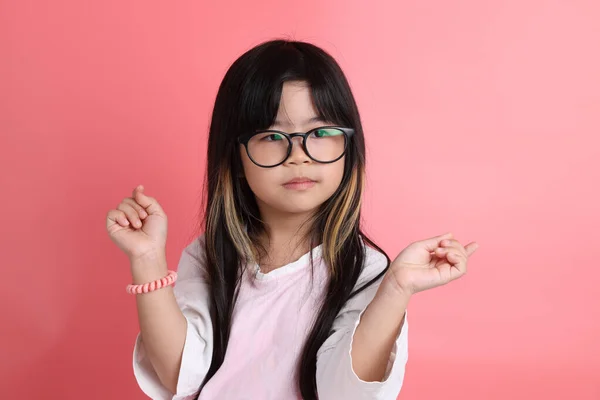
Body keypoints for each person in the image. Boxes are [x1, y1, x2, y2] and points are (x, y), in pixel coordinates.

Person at [106, 39, 478, 400]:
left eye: (322, 132)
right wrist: (147, 260)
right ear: (234, 157)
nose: (298, 155)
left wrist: (395, 289)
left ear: (350, 147)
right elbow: (180, 377)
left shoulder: (363, 268)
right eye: (271, 136)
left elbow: (345, 392)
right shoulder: (211, 255)